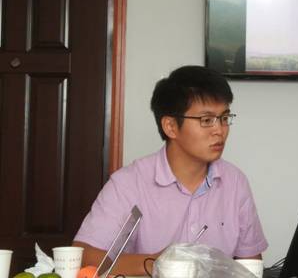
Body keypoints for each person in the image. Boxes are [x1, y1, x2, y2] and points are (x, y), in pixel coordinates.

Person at [73, 65, 268, 276]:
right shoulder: (129, 183)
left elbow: (251, 265)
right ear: (171, 127)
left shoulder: (235, 182)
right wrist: (158, 263)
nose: (219, 130)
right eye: (206, 120)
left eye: (224, 118)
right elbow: (83, 256)